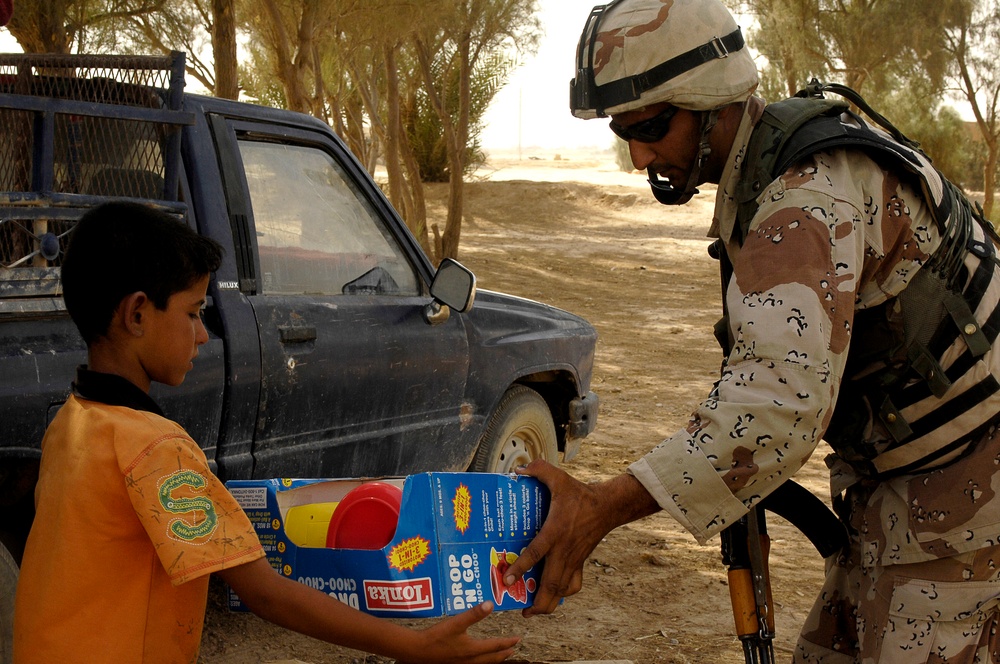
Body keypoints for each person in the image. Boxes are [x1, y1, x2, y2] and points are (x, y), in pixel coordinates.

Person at [503, 1, 1000, 662]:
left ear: (710, 100)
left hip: (967, 507)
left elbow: (776, 406)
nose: (639, 152)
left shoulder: (807, 196)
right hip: (902, 496)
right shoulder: (762, 177)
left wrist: (600, 507)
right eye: (626, 131)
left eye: (652, 126)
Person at [11, 201, 519, 664]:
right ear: (138, 313)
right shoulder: (155, 448)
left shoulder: (72, 421)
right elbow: (264, 592)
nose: (203, 334)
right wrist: (416, 644)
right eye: (192, 313)